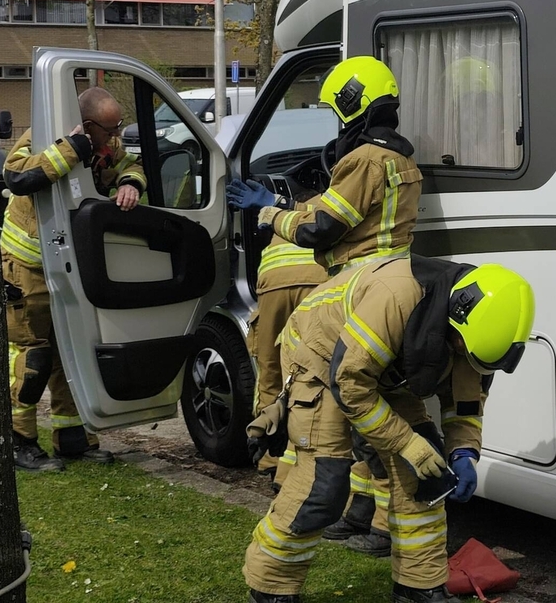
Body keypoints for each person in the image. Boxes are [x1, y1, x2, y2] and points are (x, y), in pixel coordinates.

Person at [242, 255, 535, 603]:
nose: (461, 356)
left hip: (375, 369)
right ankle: (271, 586)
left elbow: (465, 402)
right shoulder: (394, 297)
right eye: (458, 347)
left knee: (428, 478)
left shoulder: (470, 333)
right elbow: (350, 384)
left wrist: (464, 453)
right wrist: (405, 442)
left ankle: (418, 586)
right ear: (455, 314)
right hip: (320, 358)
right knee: (323, 484)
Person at [1, 87, 146, 472]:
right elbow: (17, 176)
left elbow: (132, 164)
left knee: (70, 353)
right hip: (26, 266)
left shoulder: (107, 144)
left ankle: (73, 440)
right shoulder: (44, 135)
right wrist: (73, 148)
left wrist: (131, 183)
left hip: (67, 266)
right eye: (109, 129)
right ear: (87, 124)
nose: (114, 138)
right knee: (33, 357)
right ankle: (19, 443)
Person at [244, 55, 423, 275]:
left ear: (351, 102)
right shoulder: (398, 155)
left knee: (280, 279)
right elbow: (341, 212)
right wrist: (281, 202)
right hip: (387, 272)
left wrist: (273, 216)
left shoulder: (363, 160)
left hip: (358, 278)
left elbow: (320, 229)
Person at [227, 183, 329, 491]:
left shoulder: (282, 209)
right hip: (317, 282)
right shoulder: (331, 201)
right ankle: (303, 460)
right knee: (313, 373)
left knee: (271, 369)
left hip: (272, 285)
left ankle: (269, 456)